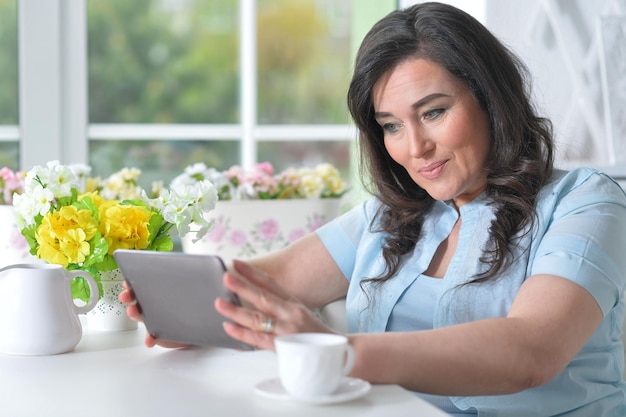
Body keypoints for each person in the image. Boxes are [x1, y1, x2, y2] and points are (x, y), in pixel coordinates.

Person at [120, 2, 626, 416]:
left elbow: (531, 351)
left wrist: (338, 353)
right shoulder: (391, 216)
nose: (415, 148)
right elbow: (263, 282)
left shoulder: (587, 202)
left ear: (492, 100)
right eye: (391, 125)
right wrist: (188, 309)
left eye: (434, 112)